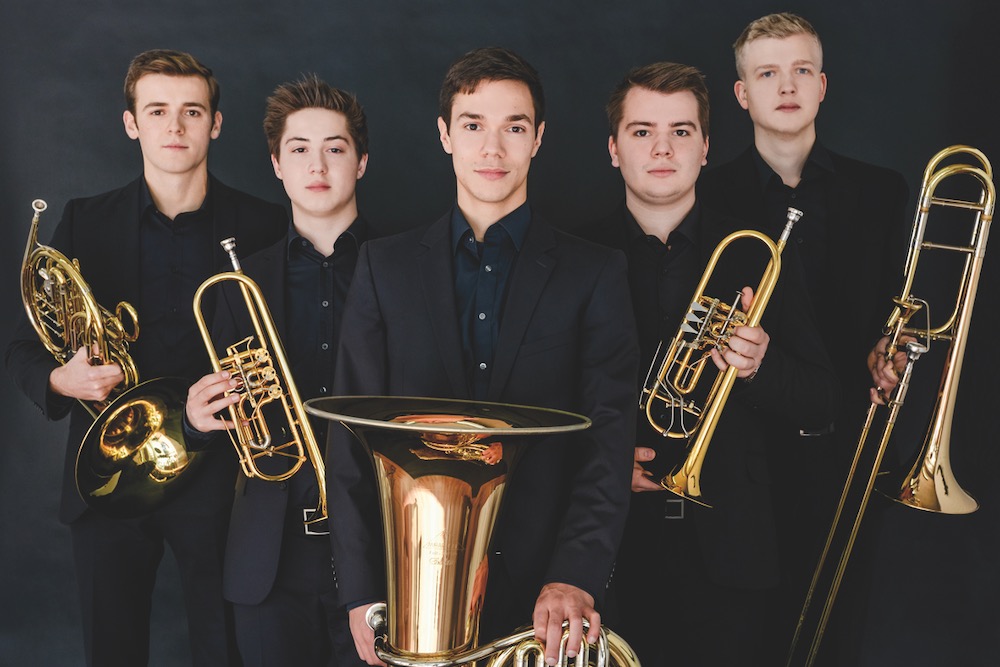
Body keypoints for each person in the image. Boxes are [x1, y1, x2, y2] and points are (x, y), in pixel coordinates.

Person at [325, 47, 639, 667]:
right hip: (409, 586)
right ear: (445, 135)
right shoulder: (382, 267)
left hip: (543, 593)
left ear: (538, 139)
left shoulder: (595, 272)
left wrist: (574, 574)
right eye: (473, 125)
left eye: (513, 128)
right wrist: (360, 590)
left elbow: (608, 440)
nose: (492, 149)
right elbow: (349, 437)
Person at [5, 50, 286, 667]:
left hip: (221, 477)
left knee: (225, 652)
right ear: (131, 123)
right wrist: (62, 379)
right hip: (108, 477)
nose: (175, 126)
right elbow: (21, 348)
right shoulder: (85, 220)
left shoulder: (263, 223)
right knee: (112, 653)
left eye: (192, 111)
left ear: (216, 124)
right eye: (157, 111)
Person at [578, 61, 837, 666]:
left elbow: (823, 399)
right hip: (606, 552)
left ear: (705, 148)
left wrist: (760, 365)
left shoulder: (756, 256)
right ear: (614, 150)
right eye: (642, 131)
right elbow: (541, 402)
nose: (662, 148)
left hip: (733, 556)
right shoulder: (574, 256)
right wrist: (600, 461)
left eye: (681, 131)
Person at [696, 13, 910, 663]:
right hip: (743, 461)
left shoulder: (882, 192)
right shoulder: (706, 193)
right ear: (742, 94)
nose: (786, 86)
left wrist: (890, 347)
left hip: (851, 449)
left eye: (801, 71)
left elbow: (896, 308)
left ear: (822, 85)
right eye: (767, 73)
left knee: (836, 640)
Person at [183, 74, 372, 667]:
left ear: (361, 162)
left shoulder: (403, 272)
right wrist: (196, 421)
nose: (317, 165)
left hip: (380, 555)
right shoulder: (237, 286)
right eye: (299, 149)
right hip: (268, 559)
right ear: (276, 165)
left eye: (335, 148)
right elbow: (227, 430)